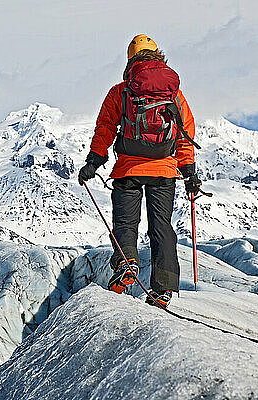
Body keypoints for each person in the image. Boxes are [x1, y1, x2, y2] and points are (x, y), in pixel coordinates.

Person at [78, 34, 202, 308]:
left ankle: (126, 264)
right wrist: (189, 171)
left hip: (128, 169)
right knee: (161, 228)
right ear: (159, 57)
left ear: (130, 60)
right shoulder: (173, 94)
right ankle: (163, 288)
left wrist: (93, 163)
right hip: (164, 170)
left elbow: (105, 129)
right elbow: (185, 132)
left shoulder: (120, 92)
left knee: (125, 223)